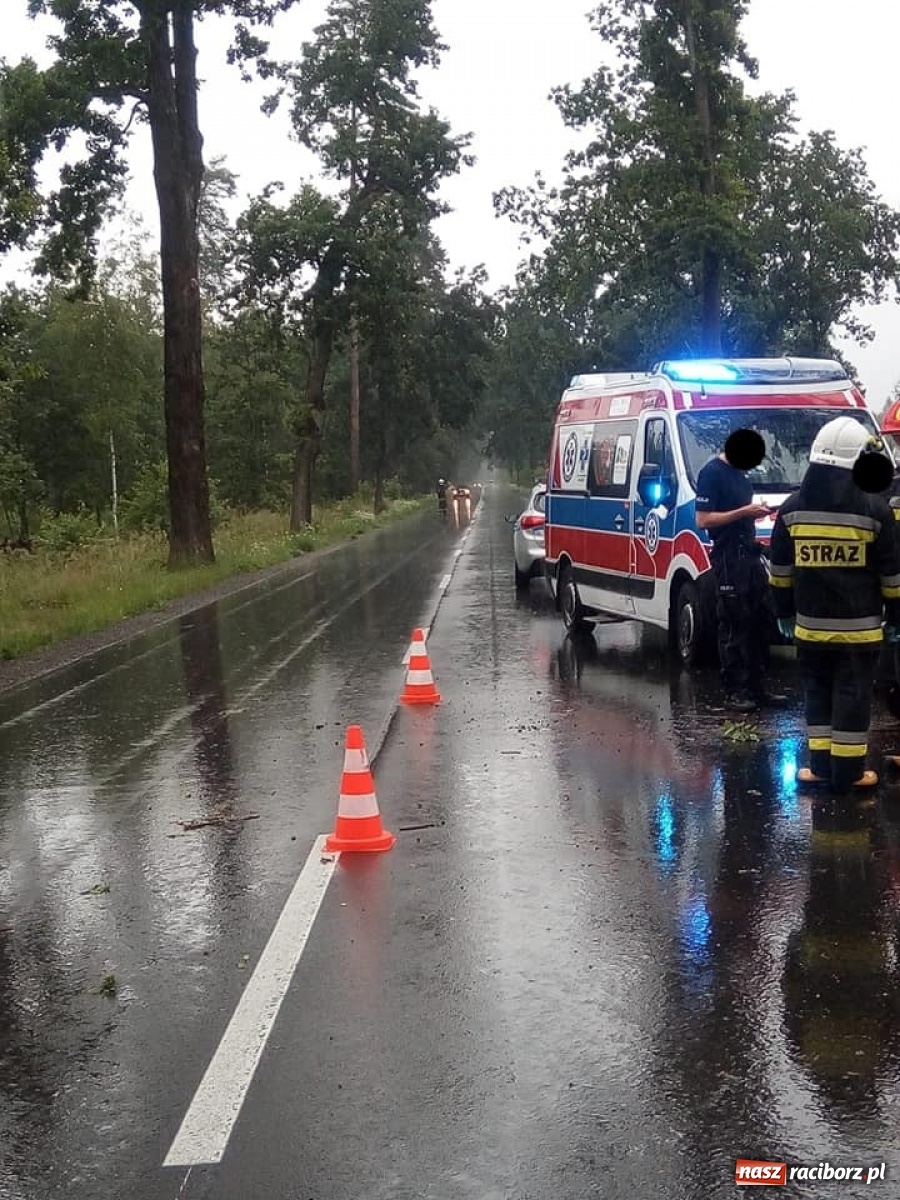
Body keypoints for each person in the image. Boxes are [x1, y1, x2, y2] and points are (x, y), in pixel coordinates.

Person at [768, 417, 900, 793]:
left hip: (809, 628)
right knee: (852, 696)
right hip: (860, 631)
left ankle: (820, 768)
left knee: (817, 694)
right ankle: (850, 773)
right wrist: (895, 617)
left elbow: (780, 571)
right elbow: (892, 576)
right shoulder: (875, 512)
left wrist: (783, 613)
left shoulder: (792, 509)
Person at [695, 428, 786, 712]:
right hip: (727, 557)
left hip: (749, 554)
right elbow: (704, 519)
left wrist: (758, 512)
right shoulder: (712, 473)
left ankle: (758, 687)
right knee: (734, 622)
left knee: (760, 618)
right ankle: (736, 690)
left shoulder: (741, 476)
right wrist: (745, 512)